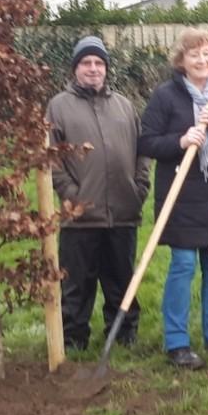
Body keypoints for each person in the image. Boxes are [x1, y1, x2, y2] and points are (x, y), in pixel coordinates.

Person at [136, 28, 208, 369]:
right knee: (184, 264)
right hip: (180, 193)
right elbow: (146, 142)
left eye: (206, 54)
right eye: (193, 55)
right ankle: (177, 342)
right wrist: (180, 140)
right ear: (181, 60)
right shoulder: (165, 97)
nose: (201, 60)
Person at [47, 35, 150, 350]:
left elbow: (141, 151)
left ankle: (123, 333)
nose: (93, 69)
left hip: (122, 211)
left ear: (106, 68)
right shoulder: (58, 106)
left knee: (121, 279)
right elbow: (51, 158)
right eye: (86, 63)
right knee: (77, 283)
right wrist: (71, 194)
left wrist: (139, 187)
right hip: (80, 215)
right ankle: (75, 337)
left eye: (99, 63)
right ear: (75, 68)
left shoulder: (124, 106)